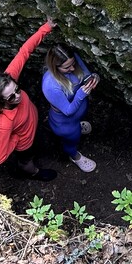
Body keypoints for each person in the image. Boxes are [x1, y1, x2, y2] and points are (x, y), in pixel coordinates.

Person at [0, 18, 57, 181]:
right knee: (26, 160)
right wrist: (15, 139)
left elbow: (24, 52)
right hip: (25, 143)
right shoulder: (4, 122)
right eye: (11, 97)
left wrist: (46, 28)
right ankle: (34, 172)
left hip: (32, 123)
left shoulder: (8, 80)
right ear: (1, 101)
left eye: (17, 89)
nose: (18, 95)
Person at [42, 43, 100, 172]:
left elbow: (85, 75)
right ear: (55, 66)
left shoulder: (71, 60)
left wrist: (93, 78)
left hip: (77, 115)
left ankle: (78, 126)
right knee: (72, 140)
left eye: (73, 64)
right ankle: (75, 156)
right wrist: (80, 95)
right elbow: (68, 111)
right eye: (67, 67)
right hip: (65, 123)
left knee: (77, 129)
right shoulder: (50, 85)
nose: (73, 68)